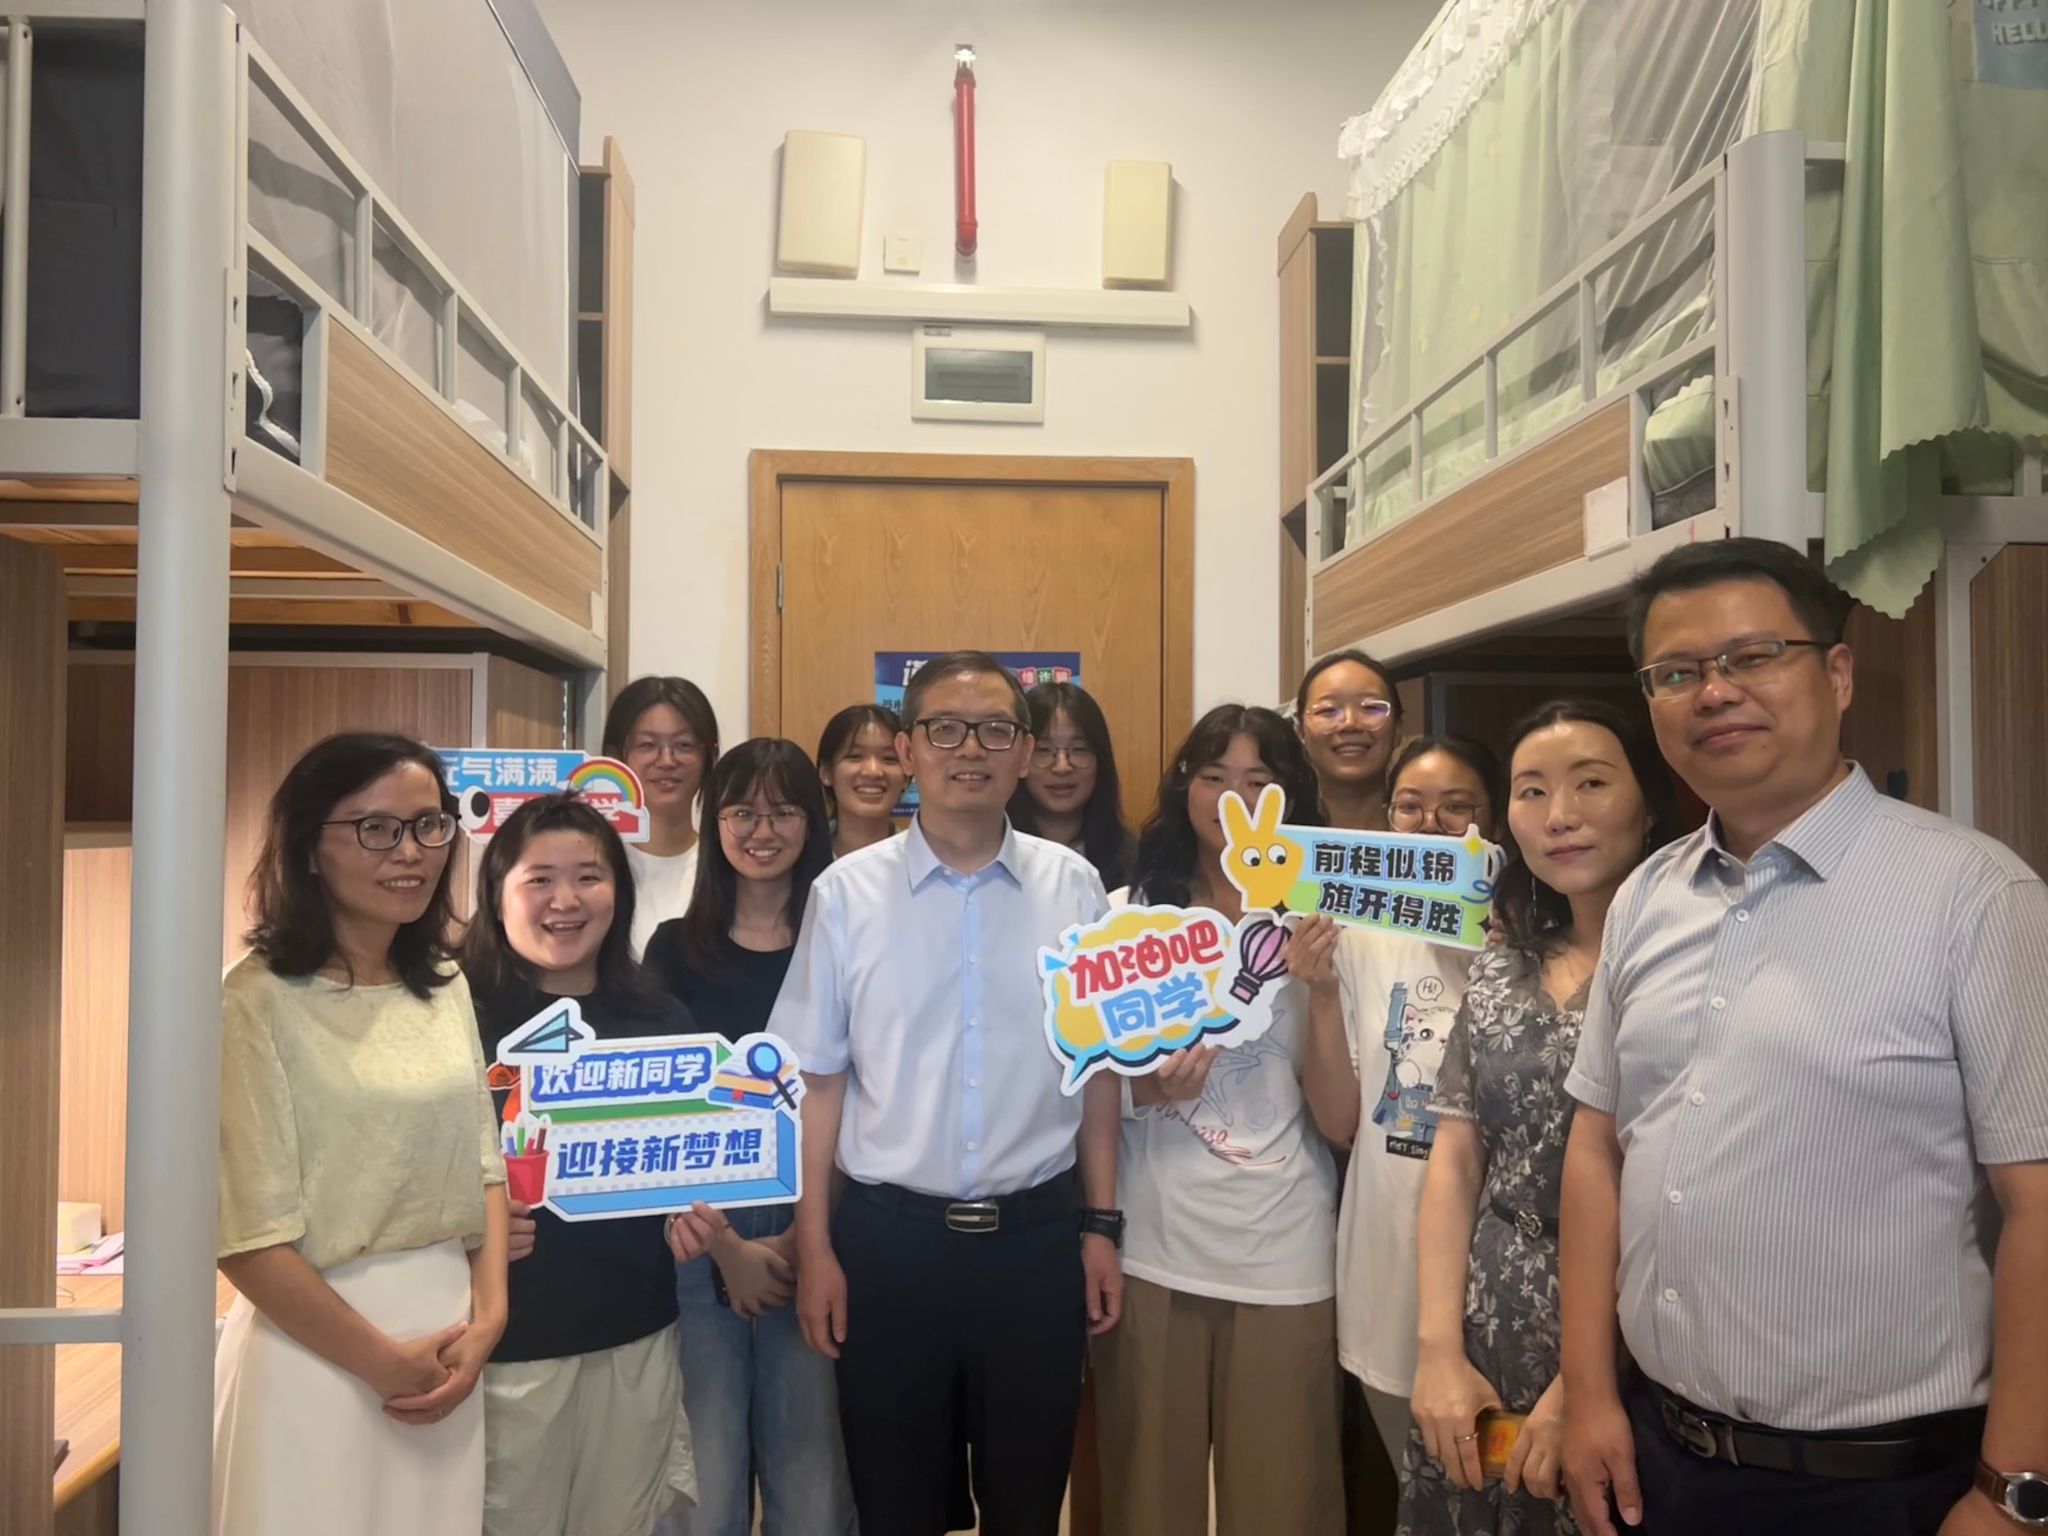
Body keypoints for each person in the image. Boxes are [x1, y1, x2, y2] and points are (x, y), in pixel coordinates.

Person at [1558, 538, 2048, 1536]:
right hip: (1658, 1456)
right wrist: (1590, 1395)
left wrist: (2012, 1492)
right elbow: (1596, 1147)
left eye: (1753, 656)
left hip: (1880, 1486)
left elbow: (2038, 1205)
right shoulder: (1645, 896)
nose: (1714, 692)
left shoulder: (1974, 896)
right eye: (1676, 673)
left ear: (1837, 673)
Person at [774, 649, 1125, 1536]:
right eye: (945, 729)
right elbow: (819, 1082)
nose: (971, 748)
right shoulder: (844, 895)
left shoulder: (1075, 888)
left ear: (1024, 752)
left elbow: (1096, 1074)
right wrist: (815, 1248)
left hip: (1036, 1246)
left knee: (1027, 1505)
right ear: (907, 750)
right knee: (895, 1506)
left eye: (997, 729)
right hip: (890, 1248)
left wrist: (1101, 1226)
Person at [212, 733, 508, 1536]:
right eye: (376, 828)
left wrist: (488, 1318)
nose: (410, 852)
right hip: (319, 1348)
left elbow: (482, 1160)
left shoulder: (441, 984)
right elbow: (244, 1236)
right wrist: (381, 1363)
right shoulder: (252, 999)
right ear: (309, 846)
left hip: (448, 1340)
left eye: (430, 825)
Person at [1399, 701, 1675, 1536]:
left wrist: (1584, 1386)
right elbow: (1456, 1158)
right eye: (1531, 791)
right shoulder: (1500, 967)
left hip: (1639, 1329)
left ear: (1649, 803)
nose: (1559, 815)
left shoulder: (1685, 968)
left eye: (1591, 783)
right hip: (1490, 1313)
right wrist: (1438, 1351)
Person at [1091, 704, 1345, 1536]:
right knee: (1145, 1502)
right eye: (1213, 777)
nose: (1234, 798)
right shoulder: (1125, 915)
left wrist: (1322, 991)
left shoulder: (1321, 920)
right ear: (1183, 788)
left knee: (1284, 1504)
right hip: (1153, 1246)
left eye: (1259, 780)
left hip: (1283, 1247)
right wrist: (1149, 1090)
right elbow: (1084, 1091)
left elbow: (1340, 1118)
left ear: (1289, 796)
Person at [463, 794, 697, 1535]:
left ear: (618, 893)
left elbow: (684, 1173)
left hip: (636, 1334)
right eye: (539, 879)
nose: (565, 901)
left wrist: (698, 1218)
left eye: (589, 877)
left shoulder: (662, 1022)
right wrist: (470, 1221)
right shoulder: (454, 1016)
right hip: (505, 1350)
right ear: (496, 893)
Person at [643, 740, 857, 1536]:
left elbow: (859, 1097)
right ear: (715, 823)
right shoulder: (673, 949)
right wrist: (726, 1247)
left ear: (813, 821)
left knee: (811, 1478)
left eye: (783, 811)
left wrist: (806, 1238)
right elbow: (664, 1109)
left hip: (822, 1228)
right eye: (741, 812)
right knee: (706, 1477)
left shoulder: (843, 937)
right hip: (699, 1235)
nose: (761, 831)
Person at [1298, 735, 1504, 1473]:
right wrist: (1321, 992)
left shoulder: (1533, 937)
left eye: (1457, 807)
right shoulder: (1357, 933)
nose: (1431, 825)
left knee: (1511, 1487)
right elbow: (1338, 1122)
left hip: (1505, 1277)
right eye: (1409, 807)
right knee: (1422, 1492)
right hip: (1389, 1269)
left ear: (1494, 821)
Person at [602, 675, 721, 953]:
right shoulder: (593, 863)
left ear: (709, 757)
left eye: (684, 745)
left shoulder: (726, 863)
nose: (667, 761)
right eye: (647, 745)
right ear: (615, 757)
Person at [1008, 680, 1135, 891]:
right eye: (1043, 750)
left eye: (1079, 749)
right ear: (1022, 757)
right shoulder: (990, 854)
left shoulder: (1134, 862)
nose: (1062, 766)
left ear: (1100, 760)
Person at [1296, 649, 1404, 832]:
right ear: (1301, 732)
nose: (1350, 724)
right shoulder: (1273, 838)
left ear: (1398, 728)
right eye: (1328, 710)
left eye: (1370, 708)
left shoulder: (1426, 832)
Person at [816, 703, 907, 859]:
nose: (873, 771)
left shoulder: (927, 861)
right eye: (855, 756)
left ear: (907, 774)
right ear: (826, 772)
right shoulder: (801, 861)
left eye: (889, 758)